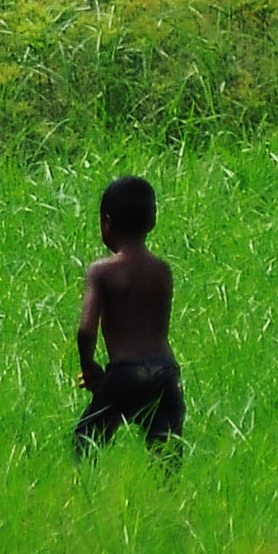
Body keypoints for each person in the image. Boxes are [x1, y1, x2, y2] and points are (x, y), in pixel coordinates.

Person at [72, 173, 184, 456]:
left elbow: (86, 330)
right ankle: (169, 498)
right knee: (166, 455)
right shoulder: (162, 271)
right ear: (152, 221)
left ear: (106, 223)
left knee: (86, 443)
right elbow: (157, 328)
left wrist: (89, 367)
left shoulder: (102, 271)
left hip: (126, 372)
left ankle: (86, 495)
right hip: (165, 371)